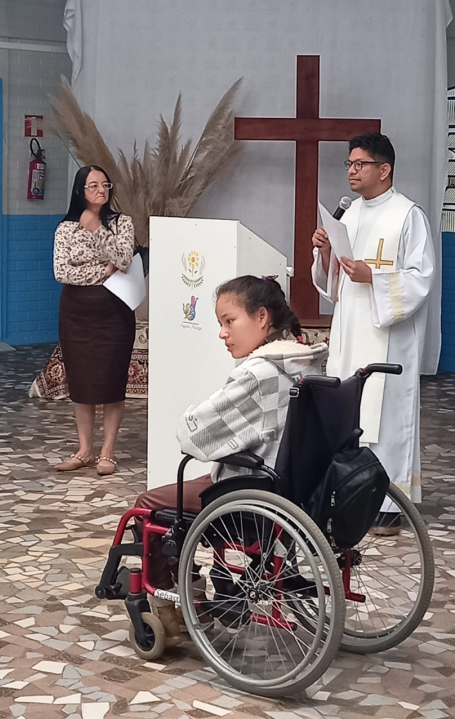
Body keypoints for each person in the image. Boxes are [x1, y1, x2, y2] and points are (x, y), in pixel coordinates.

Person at [133, 275, 328, 643]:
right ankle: (196, 590)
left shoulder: (258, 374)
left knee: (146, 506)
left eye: (229, 321)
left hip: (253, 489)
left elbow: (193, 435)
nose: (223, 333)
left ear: (262, 318)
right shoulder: (307, 361)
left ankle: (173, 602)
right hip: (299, 486)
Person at [311, 133, 435, 534]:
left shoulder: (407, 215)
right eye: (349, 164)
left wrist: (375, 278)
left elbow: (421, 277)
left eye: (360, 164)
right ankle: (347, 494)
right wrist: (325, 253)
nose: (351, 170)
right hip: (350, 330)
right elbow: (334, 284)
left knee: (384, 416)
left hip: (387, 335)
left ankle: (387, 505)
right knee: (349, 412)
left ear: (384, 169)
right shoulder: (348, 215)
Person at [53, 165, 135, 476]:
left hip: (114, 312)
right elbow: (62, 272)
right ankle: (85, 450)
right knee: (81, 380)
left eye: (105, 185)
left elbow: (124, 259)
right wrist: (103, 271)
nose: (101, 190)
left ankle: (107, 452)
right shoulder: (65, 228)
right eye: (93, 185)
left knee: (112, 380)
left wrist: (98, 231)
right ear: (80, 191)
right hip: (76, 313)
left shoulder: (121, 223)